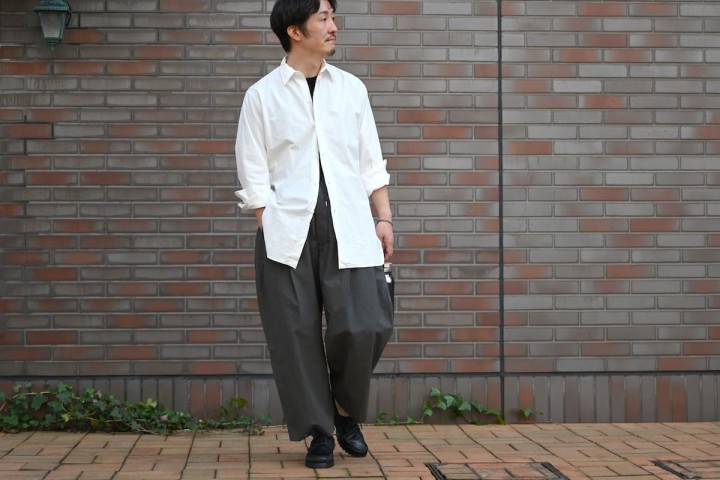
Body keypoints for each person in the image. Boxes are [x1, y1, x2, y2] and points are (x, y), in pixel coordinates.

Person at [234, 0, 394, 469]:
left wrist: (383, 218)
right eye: (323, 18)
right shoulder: (261, 96)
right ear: (295, 30)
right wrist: (270, 223)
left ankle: (343, 410)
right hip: (288, 232)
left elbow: (371, 161)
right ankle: (320, 432)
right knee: (294, 335)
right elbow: (253, 171)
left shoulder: (351, 89)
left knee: (367, 323)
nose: (333, 26)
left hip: (350, 224)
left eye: (332, 17)